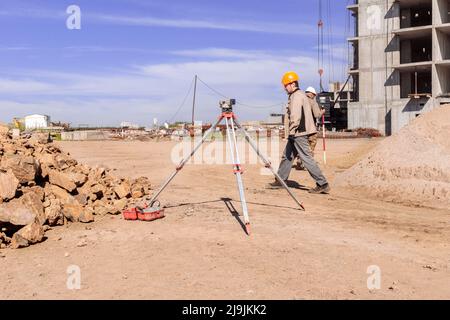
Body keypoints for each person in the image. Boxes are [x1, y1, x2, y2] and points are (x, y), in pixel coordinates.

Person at [268, 71, 330, 194]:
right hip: (296, 133)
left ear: (292, 84)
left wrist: (291, 132)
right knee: (287, 156)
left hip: (298, 133)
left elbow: (295, 117)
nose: (285, 88)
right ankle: (281, 180)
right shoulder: (299, 95)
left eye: (285, 85)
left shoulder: (297, 96)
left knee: (306, 159)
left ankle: (322, 183)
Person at [294, 86, 324, 170]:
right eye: (314, 95)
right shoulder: (312, 101)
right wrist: (322, 112)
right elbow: (317, 115)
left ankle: (300, 161)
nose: (314, 97)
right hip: (310, 129)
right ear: (311, 94)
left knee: (302, 146)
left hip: (299, 129)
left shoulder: (299, 100)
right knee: (311, 146)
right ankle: (306, 164)